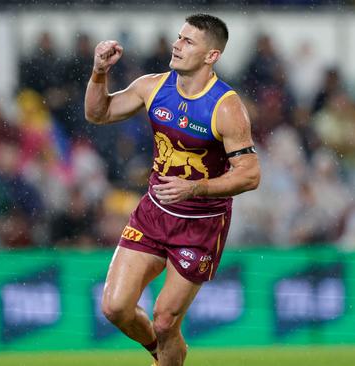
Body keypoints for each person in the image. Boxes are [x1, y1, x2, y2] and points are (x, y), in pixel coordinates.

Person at [84, 14, 260, 366]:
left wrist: (194, 188)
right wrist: (99, 72)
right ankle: (161, 352)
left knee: (165, 320)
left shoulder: (226, 107)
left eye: (188, 42)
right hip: (154, 212)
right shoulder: (152, 86)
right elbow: (97, 114)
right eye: (179, 38)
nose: (177, 46)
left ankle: (167, 348)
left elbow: (249, 175)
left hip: (200, 225)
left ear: (211, 56)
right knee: (115, 307)